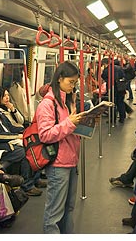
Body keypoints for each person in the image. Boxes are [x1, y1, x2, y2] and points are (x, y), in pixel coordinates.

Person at [35, 60, 85, 234]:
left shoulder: (66, 101)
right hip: (58, 164)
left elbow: (67, 128)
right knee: (54, 213)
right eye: (70, 82)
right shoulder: (47, 105)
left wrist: (85, 124)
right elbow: (45, 134)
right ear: (59, 79)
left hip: (71, 160)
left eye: (75, 83)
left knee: (68, 208)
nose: (73, 86)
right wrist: (70, 123)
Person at [0, 88, 44, 196]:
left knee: (33, 145)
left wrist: (25, 132)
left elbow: (12, 126)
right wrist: (16, 136)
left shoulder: (0, 113)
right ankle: (27, 185)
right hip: (0, 144)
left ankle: (35, 179)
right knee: (24, 151)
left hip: (10, 140)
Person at [101, 58, 126, 123]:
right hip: (120, 88)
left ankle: (113, 119)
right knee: (121, 103)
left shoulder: (106, 70)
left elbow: (103, 76)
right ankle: (122, 118)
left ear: (105, 64)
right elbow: (124, 76)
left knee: (112, 103)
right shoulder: (119, 68)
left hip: (112, 89)